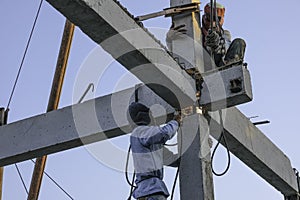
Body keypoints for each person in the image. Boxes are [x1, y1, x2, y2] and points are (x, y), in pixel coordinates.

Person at [166, 2, 246, 70]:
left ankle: (231, 70)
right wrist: (170, 39)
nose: (213, 23)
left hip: (220, 69)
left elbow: (225, 46)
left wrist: (216, 44)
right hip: (202, 70)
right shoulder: (196, 33)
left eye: (217, 19)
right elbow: (179, 52)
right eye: (209, 19)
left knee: (239, 43)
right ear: (204, 17)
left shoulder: (225, 34)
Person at [128, 102, 182, 200]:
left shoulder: (152, 144)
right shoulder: (139, 132)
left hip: (151, 191)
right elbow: (164, 133)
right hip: (150, 191)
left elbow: (174, 160)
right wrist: (176, 122)